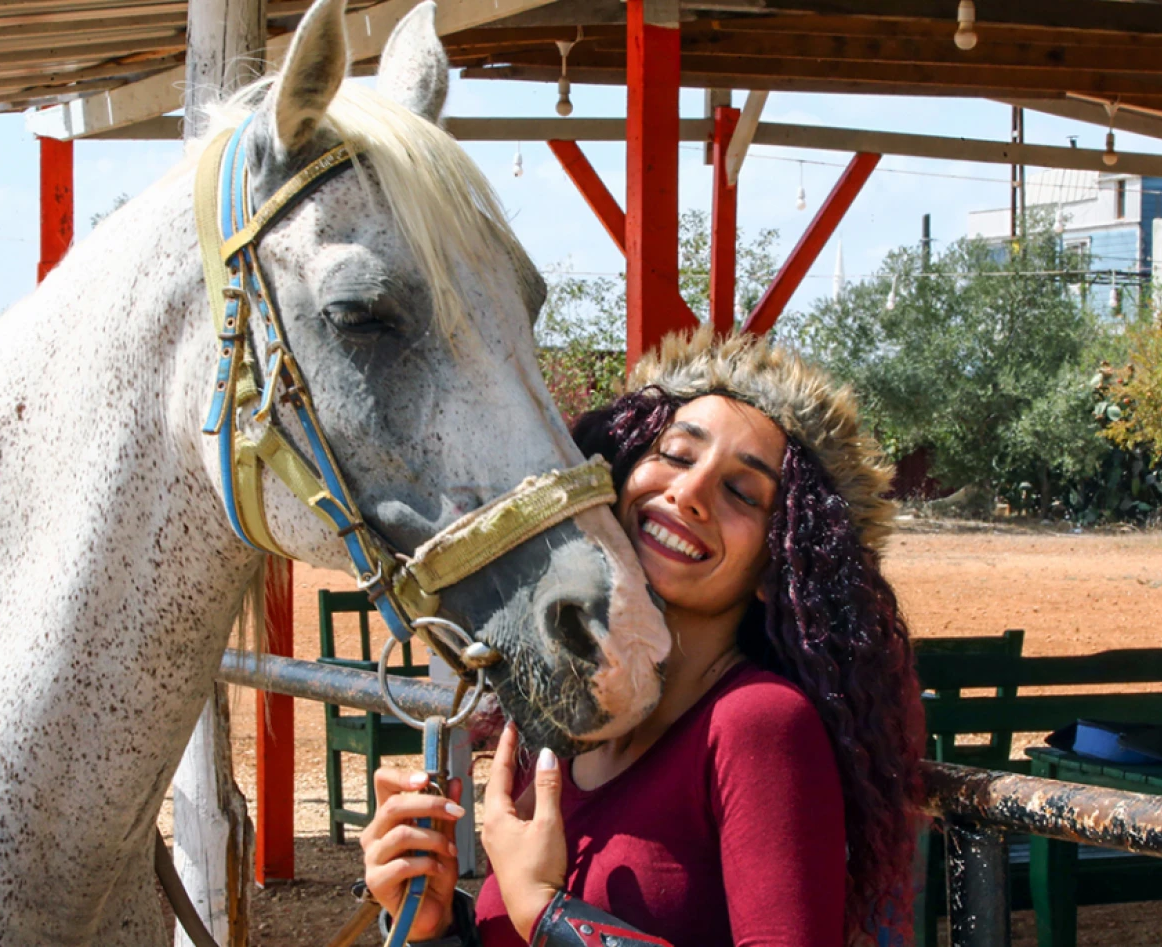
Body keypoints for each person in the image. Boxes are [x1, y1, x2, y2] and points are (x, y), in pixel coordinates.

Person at [359, 330, 926, 947]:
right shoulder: (566, 733)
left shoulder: (756, 723)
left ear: (776, 567)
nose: (689, 492)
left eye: (742, 491)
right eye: (678, 455)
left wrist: (549, 916)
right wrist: (431, 923)